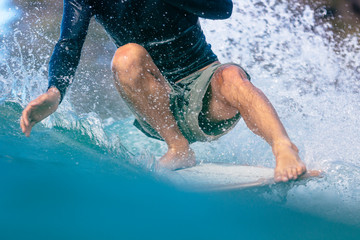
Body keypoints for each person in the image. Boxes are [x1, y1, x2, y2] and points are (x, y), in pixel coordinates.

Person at [20, 0, 306, 182]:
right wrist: (55, 92)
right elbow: (68, 43)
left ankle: (283, 148)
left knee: (232, 75)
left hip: (206, 92)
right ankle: (178, 149)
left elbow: (224, 8)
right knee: (126, 56)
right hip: (159, 108)